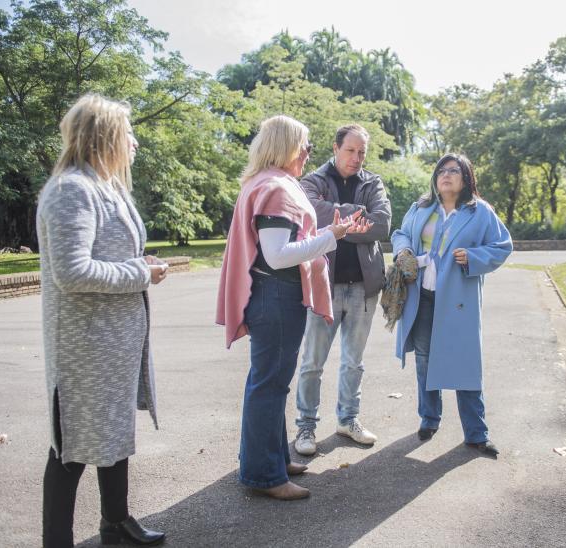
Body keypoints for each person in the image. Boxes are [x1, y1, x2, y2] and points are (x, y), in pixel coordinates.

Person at [216, 115, 370, 501]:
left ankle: (272, 461)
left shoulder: (266, 182)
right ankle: (264, 475)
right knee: (268, 386)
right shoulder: (276, 188)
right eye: (305, 145)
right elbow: (279, 255)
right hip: (276, 295)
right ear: (286, 146)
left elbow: (281, 249)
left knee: (269, 384)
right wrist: (331, 235)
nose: (308, 153)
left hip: (272, 293)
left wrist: (327, 235)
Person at [37, 94, 168, 547]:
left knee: (114, 430)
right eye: (128, 134)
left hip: (112, 344)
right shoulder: (71, 189)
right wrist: (140, 273)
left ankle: (115, 520)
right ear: (106, 136)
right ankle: (56, 540)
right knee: (71, 448)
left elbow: (107, 255)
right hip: (84, 346)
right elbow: (71, 273)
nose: (134, 143)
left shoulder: (106, 186)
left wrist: (139, 262)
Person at [391, 153, 512, 456]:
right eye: (441, 170)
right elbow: (401, 233)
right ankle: (429, 419)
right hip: (422, 296)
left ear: (466, 178)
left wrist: (474, 258)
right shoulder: (421, 207)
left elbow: (502, 246)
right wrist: (404, 250)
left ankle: (476, 433)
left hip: (458, 300)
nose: (446, 175)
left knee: (465, 363)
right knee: (424, 360)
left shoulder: (479, 212)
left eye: (453, 171)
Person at [293, 124, 391, 456]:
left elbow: (382, 224)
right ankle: (306, 425)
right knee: (312, 362)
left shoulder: (373, 182)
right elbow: (310, 217)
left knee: (354, 362)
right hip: (325, 285)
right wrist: (356, 219)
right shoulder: (312, 182)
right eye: (350, 150)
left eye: (362, 152)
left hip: (364, 287)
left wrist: (335, 223)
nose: (356, 158)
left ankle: (348, 420)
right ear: (335, 148)